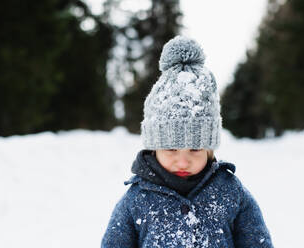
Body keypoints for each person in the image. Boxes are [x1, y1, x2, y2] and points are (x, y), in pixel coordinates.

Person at [101, 36, 274, 248]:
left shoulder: (230, 192)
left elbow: (257, 242)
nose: (183, 162)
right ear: (154, 148)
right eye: (171, 149)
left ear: (209, 149)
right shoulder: (136, 199)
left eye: (195, 149)